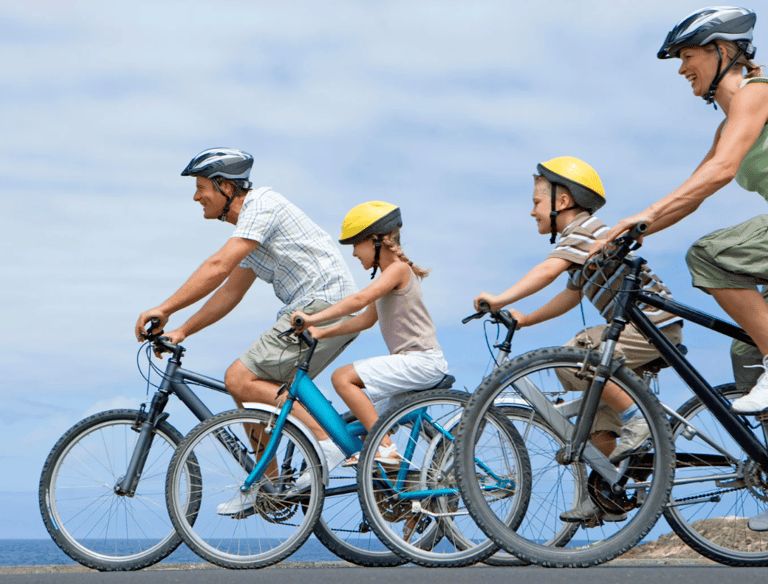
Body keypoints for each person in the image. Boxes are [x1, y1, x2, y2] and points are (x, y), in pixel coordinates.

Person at [600, 6, 768, 530]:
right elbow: (690, 194)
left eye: (687, 55)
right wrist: (634, 227)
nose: (681, 69)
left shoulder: (757, 92)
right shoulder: (729, 123)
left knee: (711, 255)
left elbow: (720, 173)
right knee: (748, 348)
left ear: (723, 50)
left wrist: (642, 218)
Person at [134, 147, 358, 514]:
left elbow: (219, 265)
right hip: (322, 310)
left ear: (225, 187)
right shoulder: (251, 230)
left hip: (321, 307)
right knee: (252, 392)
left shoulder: (262, 205)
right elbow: (230, 292)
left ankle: (325, 442)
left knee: (240, 377)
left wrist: (165, 308)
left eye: (201, 186)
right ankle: (269, 486)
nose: (195, 196)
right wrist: (183, 330)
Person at [474, 156, 683, 524]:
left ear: (563, 202)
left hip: (651, 328)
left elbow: (547, 270)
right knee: (599, 414)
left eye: (537, 202)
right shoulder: (582, 242)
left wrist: (502, 298)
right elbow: (571, 294)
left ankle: (640, 422)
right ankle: (603, 492)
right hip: (638, 330)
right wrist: (527, 319)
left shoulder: (585, 232)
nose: (532, 212)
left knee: (578, 353)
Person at [291, 201, 449, 467]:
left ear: (376, 241)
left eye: (355, 244)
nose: (353, 253)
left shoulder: (397, 270)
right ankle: (390, 475)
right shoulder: (391, 275)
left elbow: (359, 300)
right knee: (364, 426)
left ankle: (386, 448)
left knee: (342, 378)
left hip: (421, 361)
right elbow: (364, 320)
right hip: (413, 363)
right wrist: (320, 332)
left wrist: (311, 317)